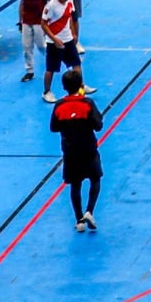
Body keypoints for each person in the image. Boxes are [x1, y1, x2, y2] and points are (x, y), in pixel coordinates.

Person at [49, 68, 103, 232]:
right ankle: (89, 211)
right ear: (80, 85)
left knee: (75, 184)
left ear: (64, 86)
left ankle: (79, 220)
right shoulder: (87, 104)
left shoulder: (59, 106)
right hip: (88, 149)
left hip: (70, 152)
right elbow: (98, 125)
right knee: (95, 179)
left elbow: (54, 127)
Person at [40, 0, 82, 103]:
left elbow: (68, 17)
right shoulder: (51, 6)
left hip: (68, 39)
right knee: (51, 68)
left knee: (76, 64)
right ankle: (46, 92)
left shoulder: (70, 0)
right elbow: (44, 24)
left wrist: (73, 33)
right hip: (54, 42)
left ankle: (80, 87)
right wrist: (54, 39)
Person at [15, 0, 51, 85]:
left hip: (39, 22)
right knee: (26, 47)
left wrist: (48, 20)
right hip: (26, 21)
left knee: (41, 45)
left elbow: (48, 4)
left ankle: (52, 61)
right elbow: (22, 4)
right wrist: (20, 21)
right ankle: (29, 71)